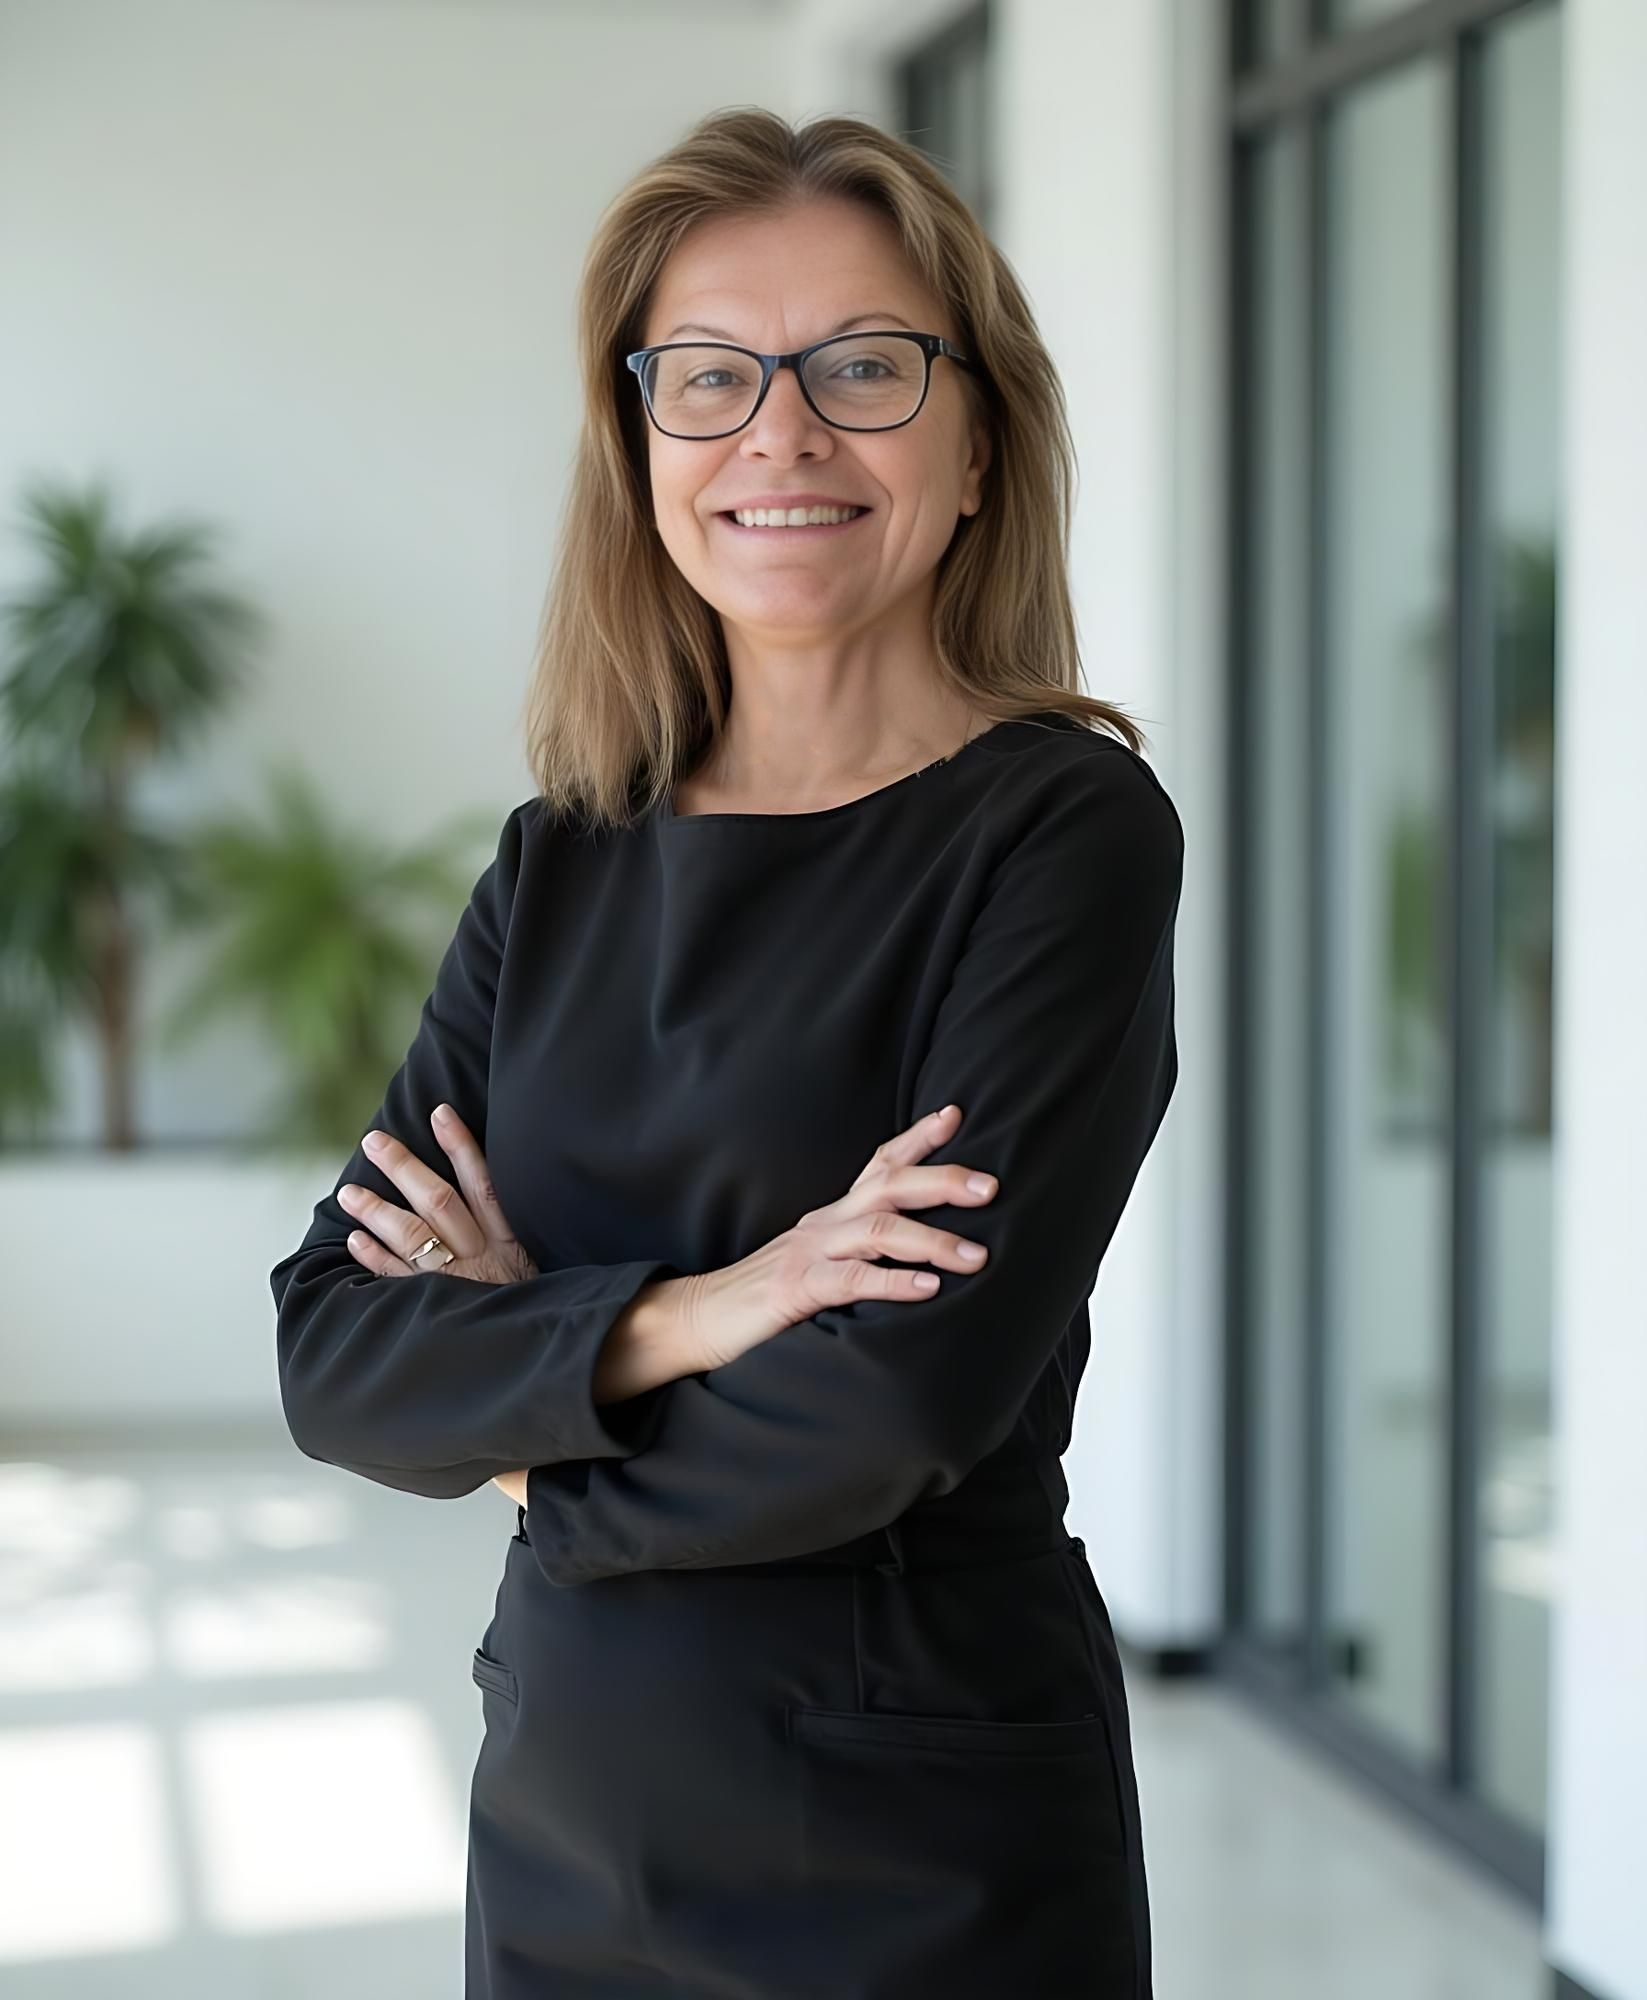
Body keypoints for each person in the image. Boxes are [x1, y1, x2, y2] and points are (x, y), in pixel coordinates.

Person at [269, 105, 1183, 2000]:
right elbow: (337, 1353)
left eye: (861, 366)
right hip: (570, 1815)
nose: (781, 432)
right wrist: (703, 1311)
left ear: (979, 440)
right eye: (709, 377)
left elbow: (896, 1407)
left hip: (913, 1844)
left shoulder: (1061, 831)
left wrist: (526, 1429)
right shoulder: (568, 849)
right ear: (641, 445)